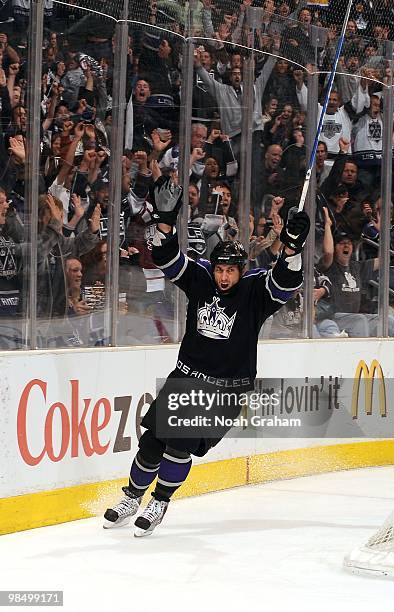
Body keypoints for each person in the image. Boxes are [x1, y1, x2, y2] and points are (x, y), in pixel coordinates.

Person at [103, 176, 310, 537]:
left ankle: (160, 502)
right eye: (220, 269)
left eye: (231, 270)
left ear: (242, 269)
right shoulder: (201, 279)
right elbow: (167, 259)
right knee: (152, 441)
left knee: (179, 441)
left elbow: (286, 283)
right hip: (187, 377)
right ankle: (132, 496)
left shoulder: (254, 290)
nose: (224, 276)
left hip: (225, 388)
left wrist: (291, 249)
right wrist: (165, 220)